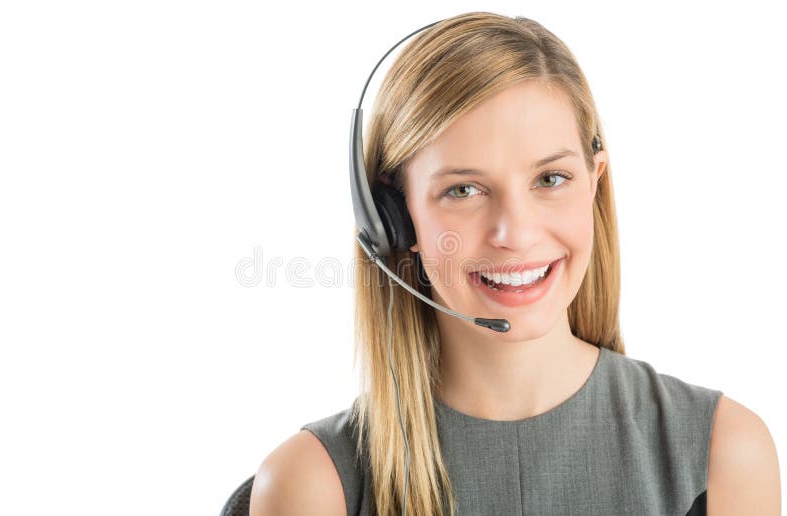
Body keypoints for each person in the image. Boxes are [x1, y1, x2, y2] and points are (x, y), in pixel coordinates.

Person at [249, 11, 780, 516]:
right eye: (463, 189)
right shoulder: (311, 486)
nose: (515, 234)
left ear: (594, 183)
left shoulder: (722, 455)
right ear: (393, 219)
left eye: (550, 179)